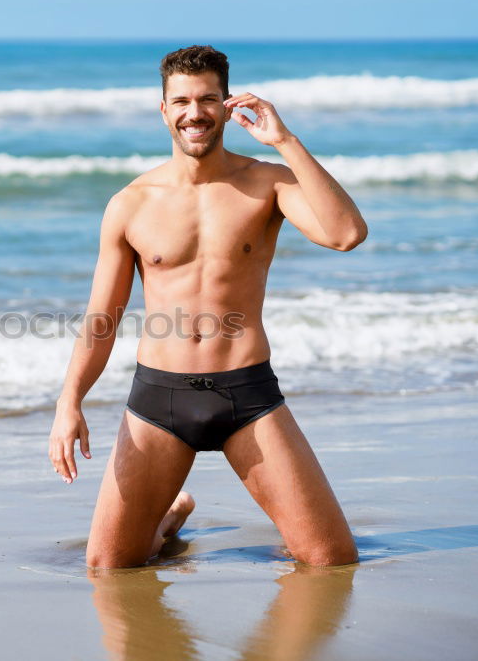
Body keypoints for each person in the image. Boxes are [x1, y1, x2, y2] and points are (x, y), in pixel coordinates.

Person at [48, 45, 366, 569]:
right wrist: (69, 403)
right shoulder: (131, 204)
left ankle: (168, 515)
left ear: (226, 104)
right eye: (181, 101)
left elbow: (346, 233)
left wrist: (285, 141)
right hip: (159, 400)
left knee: (331, 561)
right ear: (164, 110)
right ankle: (170, 516)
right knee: (107, 568)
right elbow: (103, 317)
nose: (194, 112)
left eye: (207, 100)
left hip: (248, 395)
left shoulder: (267, 182)